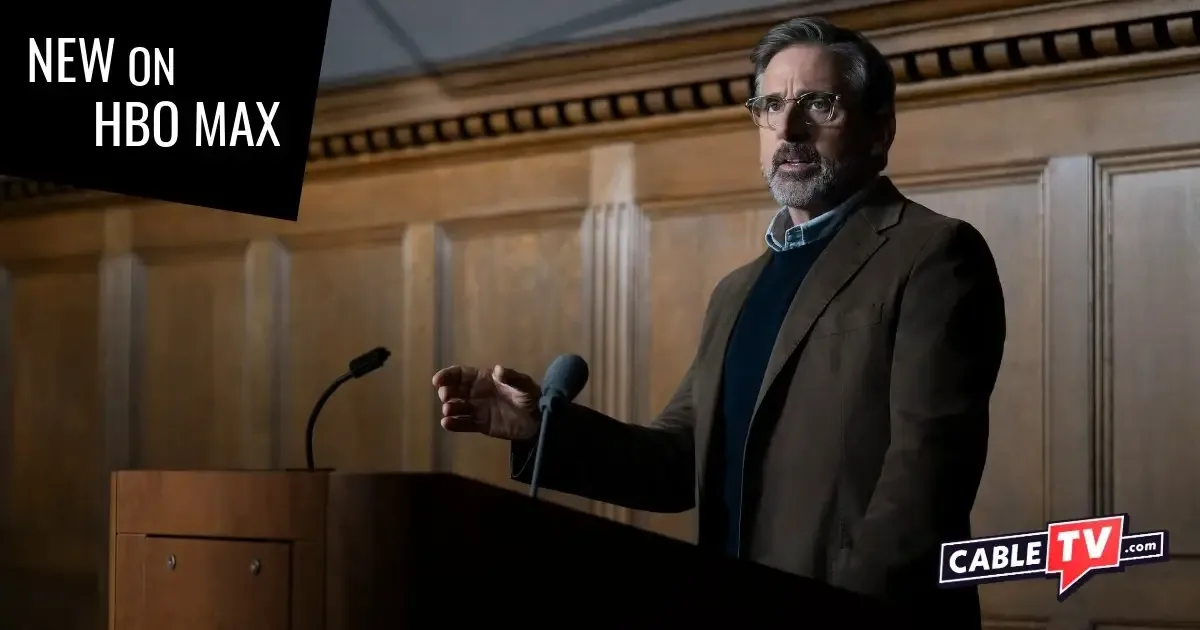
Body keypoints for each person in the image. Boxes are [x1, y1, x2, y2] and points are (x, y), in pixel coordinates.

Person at [432, 16, 1005, 628]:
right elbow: (678, 462)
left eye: (820, 105)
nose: (789, 127)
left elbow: (924, 484)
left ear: (879, 131)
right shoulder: (737, 292)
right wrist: (537, 429)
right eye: (772, 105)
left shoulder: (933, 254)